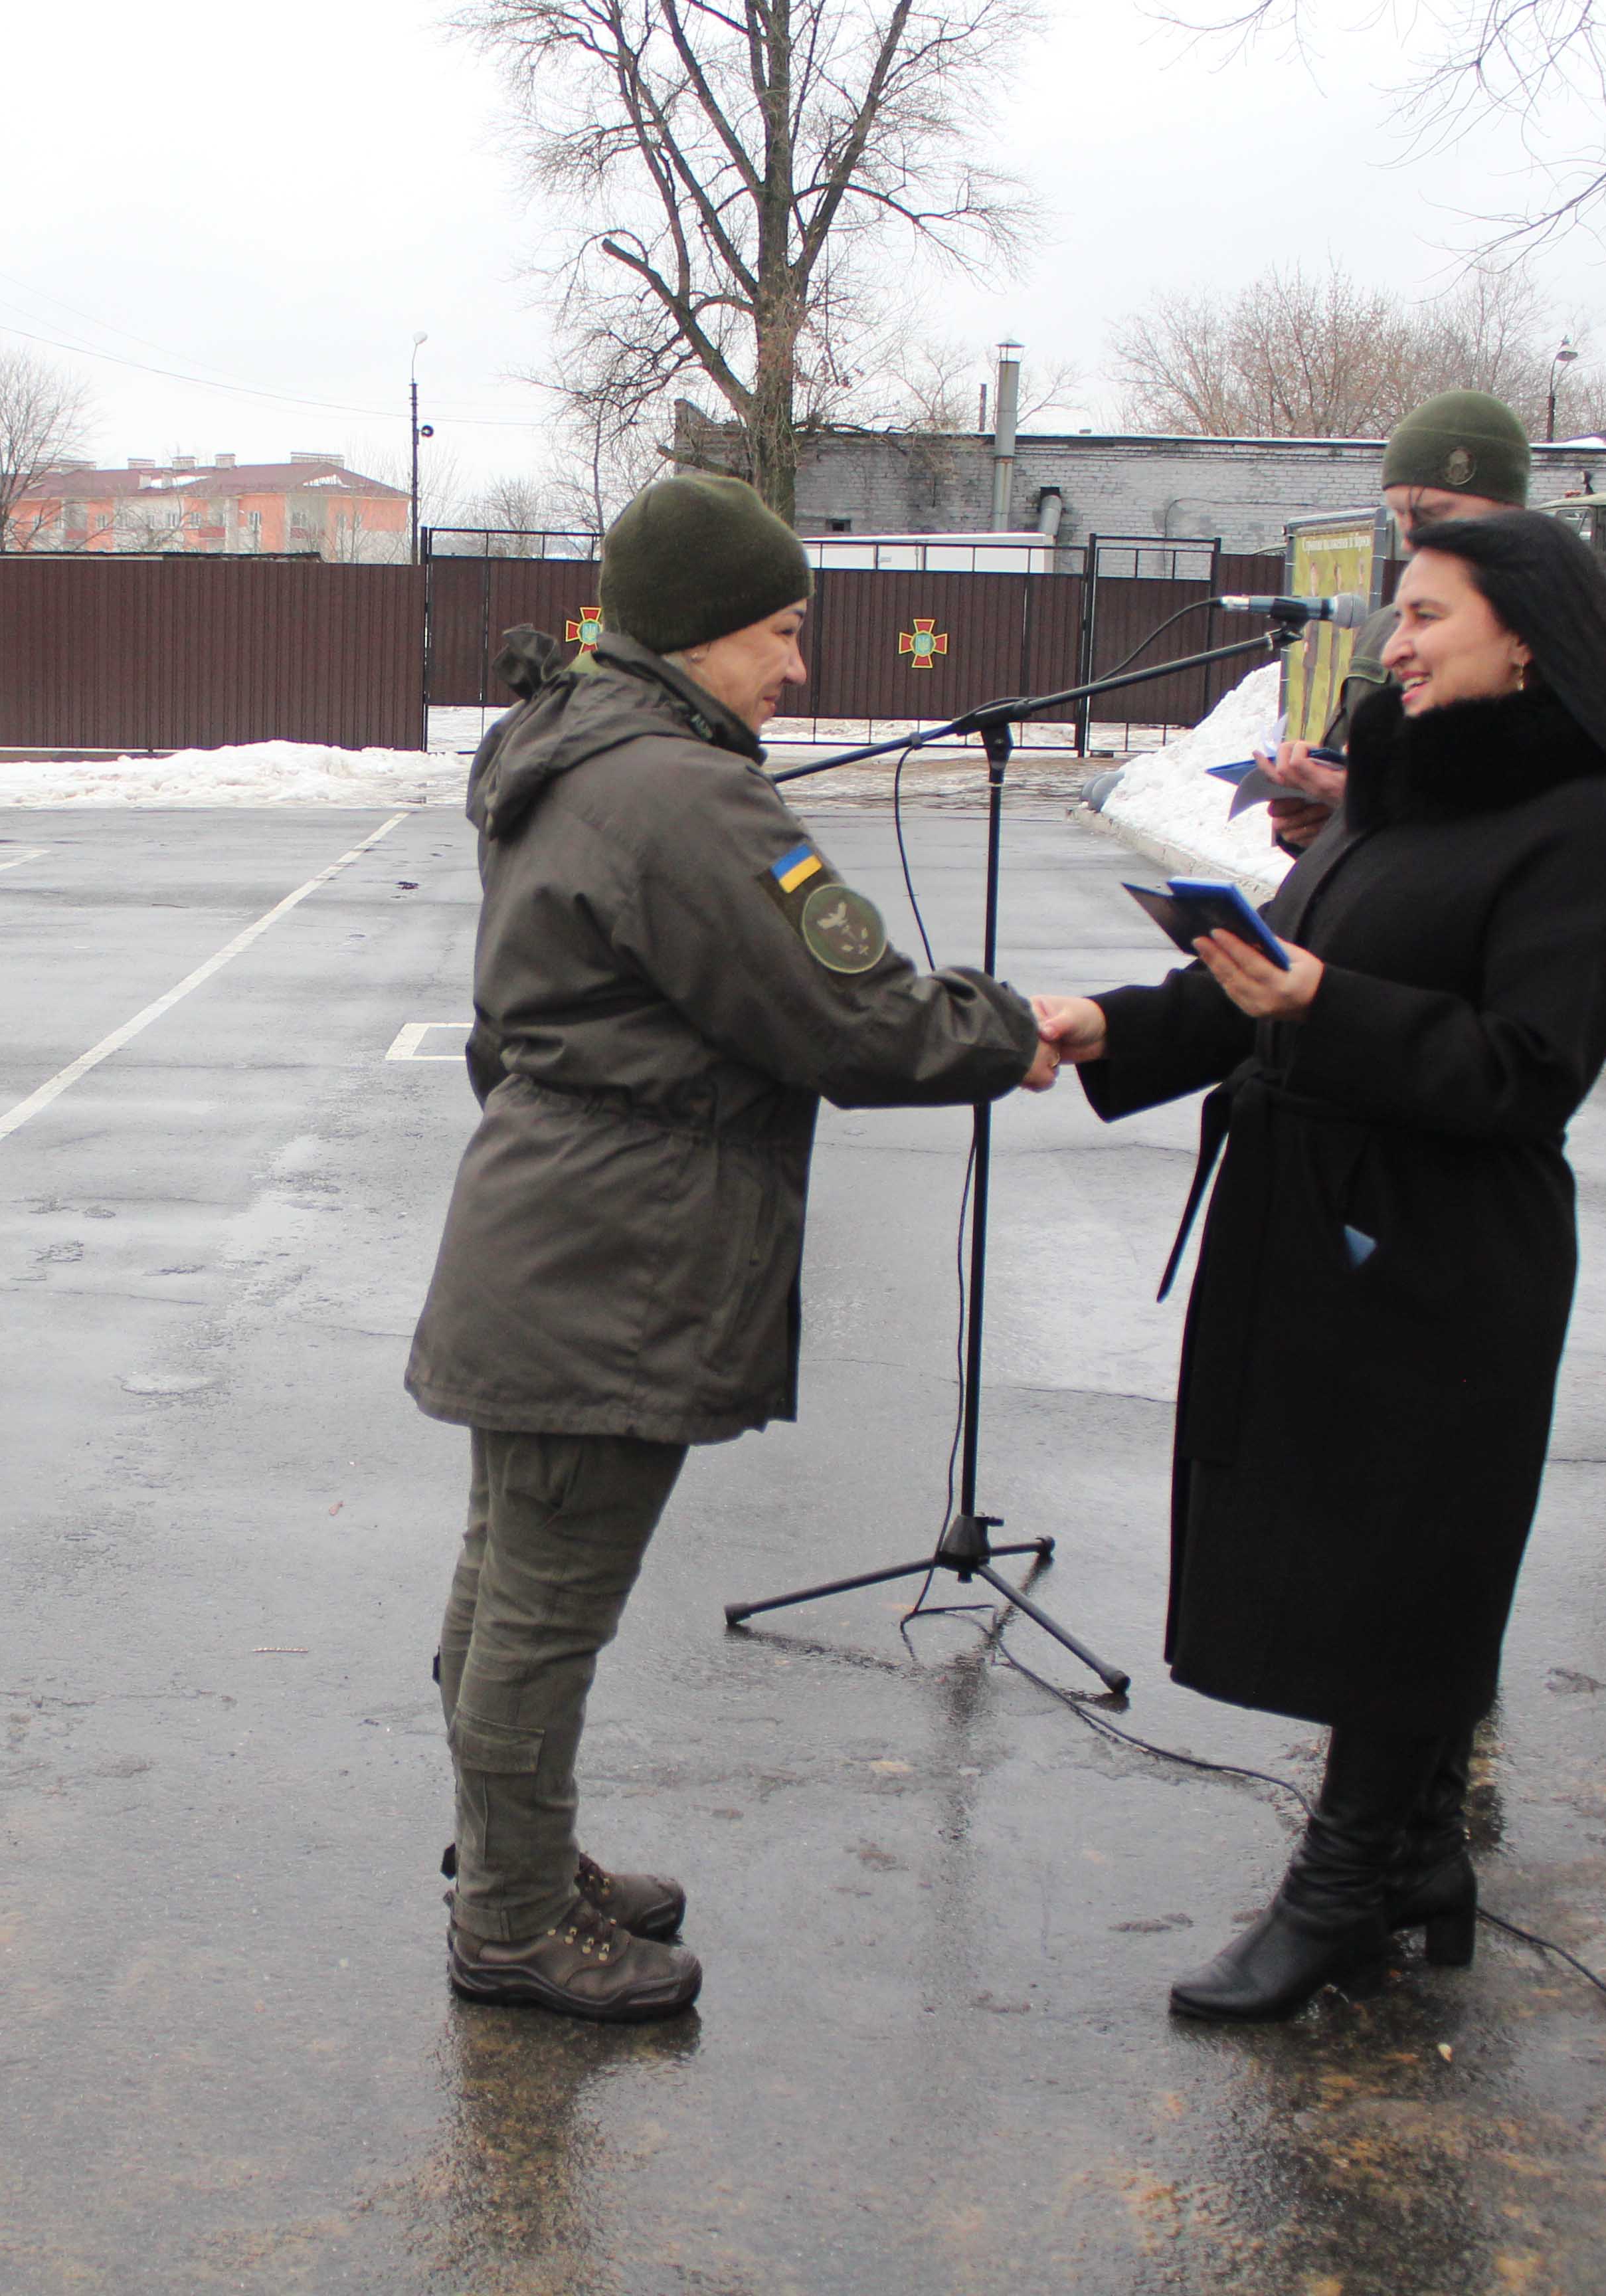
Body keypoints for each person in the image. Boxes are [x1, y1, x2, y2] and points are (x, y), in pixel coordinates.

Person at [405, 474, 1051, 2024]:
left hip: (554, 1227)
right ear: (698, 633)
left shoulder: (568, 748)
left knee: (509, 1581)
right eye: (778, 630)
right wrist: (1014, 1027)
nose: (798, 666)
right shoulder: (682, 797)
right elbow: (848, 1013)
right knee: (540, 1605)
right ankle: (506, 1918)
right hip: (611, 1254)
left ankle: (521, 1857)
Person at [1034, 510, 1606, 2022]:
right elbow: (1272, 986)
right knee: (1373, 1545)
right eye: (1396, 617)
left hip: (1442, 1241)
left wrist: (1319, 994)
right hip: (1321, 1212)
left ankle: (1340, 1882)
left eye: (1427, 618)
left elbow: (1524, 1069)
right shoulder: (1402, 790)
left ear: (1524, 635)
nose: (1392, 644)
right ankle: (1421, 1857)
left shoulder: (1585, 824)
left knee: (1397, 1566)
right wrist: (1119, 1024)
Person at [1247, 389, 1534, 851]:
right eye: (1400, 514)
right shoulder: (1384, 630)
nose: (1416, 534)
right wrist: (1312, 815)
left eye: (1439, 513)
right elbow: (1343, 767)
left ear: (1512, 514)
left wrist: (1370, 802)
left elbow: (1560, 824)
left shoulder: (1568, 634)